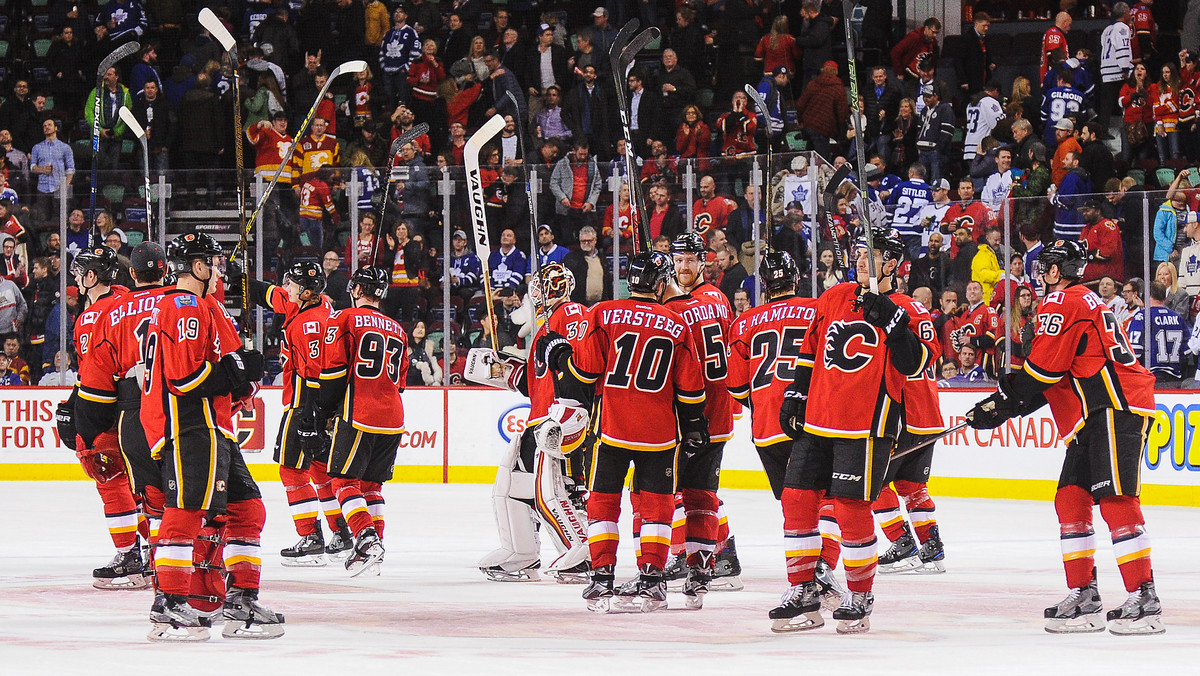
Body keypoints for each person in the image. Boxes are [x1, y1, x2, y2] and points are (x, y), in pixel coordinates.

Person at [967, 240, 1163, 636]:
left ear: (1057, 272)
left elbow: (1041, 373)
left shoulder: (1063, 302)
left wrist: (1000, 402)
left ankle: (1145, 598)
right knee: (1070, 498)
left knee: (1116, 499)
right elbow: (1047, 382)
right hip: (1094, 414)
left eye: (1045, 269)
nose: (1040, 276)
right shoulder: (1083, 302)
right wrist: (1002, 408)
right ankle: (1085, 595)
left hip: (1115, 406)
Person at [773, 227, 937, 634]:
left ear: (894, 265)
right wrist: (795, 393)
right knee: (796, 498)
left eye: (875, 254)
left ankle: (860, 594)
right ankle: (803, 590)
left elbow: (916, 365)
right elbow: (809, 350)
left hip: (867, 424)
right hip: (817, 418)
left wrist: (893, 323)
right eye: (862, 251)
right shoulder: (835, 296)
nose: (864, 259)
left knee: (850, 507)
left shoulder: (910, 308)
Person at [139, 234, 279, 641]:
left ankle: (240, 601)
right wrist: (234, 371)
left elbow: (209, 372)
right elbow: (186, 378)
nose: (219, 270)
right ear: (197, 268)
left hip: (214, 427)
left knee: (248, 510)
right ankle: (168, 604)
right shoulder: (184, 305)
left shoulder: (198, 306)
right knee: (184, 511)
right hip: (187, 426)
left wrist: (239, 379)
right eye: (213, 263)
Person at [560, 251, 705, 613]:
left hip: (611, 429)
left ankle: (601, 577)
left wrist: (560, 357)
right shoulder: (676, 323)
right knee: (657, 508)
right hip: (659, 434)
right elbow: (690, 389)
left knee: (603, 503)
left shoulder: (603, 313)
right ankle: (653, 579)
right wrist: (693, 425)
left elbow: (585, 374)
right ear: (659, 283)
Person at [470, 262, 590, 583]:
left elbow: (577, 367)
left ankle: (582, 553)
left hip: (557, 421)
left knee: (548, 493)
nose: (532, 294)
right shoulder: (544, 328)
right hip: (536, 420)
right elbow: (536, 381)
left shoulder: (571, 313)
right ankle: (520, 553)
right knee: (509, 486)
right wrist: (502, 370)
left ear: (554, 289)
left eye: (538, 287)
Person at [246, 263, 352, 565]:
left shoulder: (311, 325)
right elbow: (270, 294)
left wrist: (310, 417)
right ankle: (340, 532)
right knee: (319, 469)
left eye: (291, 285)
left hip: (305, 404)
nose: (286, 289)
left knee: (290, 470)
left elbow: (318, 374)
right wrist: (239, 278)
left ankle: (310, 536)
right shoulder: (307, 304)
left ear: (306, 292)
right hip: (321, 406)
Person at [304, 266, 407, 576]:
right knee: (372, 486)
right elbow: (399, 383)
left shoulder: (344, 318)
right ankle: (374, 550)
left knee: (343, 482)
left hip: (359, 412)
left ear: (358, 289)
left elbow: (334, 371)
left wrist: (322, 412)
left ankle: (366, 540)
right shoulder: (398, 329)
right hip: (393, 416)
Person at [56, 247, 147, 590]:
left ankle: (129, 556)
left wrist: (83, 418)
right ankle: (155, 551)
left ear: (91, 277)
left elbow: (97, 376)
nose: (77, 280)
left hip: (115, 408)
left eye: (80, 274)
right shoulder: (129, 298)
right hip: (150, 403)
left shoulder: (92, 318)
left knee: (107, 473)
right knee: (145, 483)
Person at [659, 234, 741, 604]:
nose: (684, 267)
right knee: (701, 490)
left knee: (684, 490)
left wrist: (659, 298)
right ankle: (721, 556)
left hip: (695, 411)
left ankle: (714, 555)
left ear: (703, 262)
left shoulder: (680, 306)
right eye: (677, 261)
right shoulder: (719, 299)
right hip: (716, 407)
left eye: (690, 260)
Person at [1128, 281, 1187, 383]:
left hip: (1150, 377)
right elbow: (1187, 351)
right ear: (1164, 298)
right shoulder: (1177, 317)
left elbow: (1135, 352)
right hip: (1175, 378)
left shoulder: (1141, 316)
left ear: (1146, 295)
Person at [949, 280, 1001, 378]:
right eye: (969, 289)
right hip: (966, 364)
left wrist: (971, 340)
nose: (972, 291)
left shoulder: (988, 311)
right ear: (966, 294)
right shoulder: (964, 314)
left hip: (984, 361)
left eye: (975, 289)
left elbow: (994, 337)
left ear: (982, 293)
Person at [887, 162, 933, 261]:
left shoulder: (899, 187)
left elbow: (890, 208)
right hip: (915, 232)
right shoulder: (929, 190)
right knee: (915, 265)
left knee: (894, 263)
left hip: (897, 230)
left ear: (911, 173)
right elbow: (931, 212)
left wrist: (889, 225)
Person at [1079, 198, 1127, 283]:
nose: (1084, 213)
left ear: (1098, 211)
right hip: (1087, 279)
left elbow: (1107, 253)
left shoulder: (1107, 225)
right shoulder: (1086, 228)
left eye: (1087, 210)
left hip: (1106, 280)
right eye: (1083, 211)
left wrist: (1089, 255)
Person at [915, 83, 954, 184]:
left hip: (935, 152)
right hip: (923, 151)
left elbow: (947, 132)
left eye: (928, 96)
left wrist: (938, 148)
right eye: (924, 96)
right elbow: (919, 129)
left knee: (935, 181)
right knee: (921, 180)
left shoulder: (945, 109)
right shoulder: (924, 110)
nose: (925, 99)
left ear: (936, 96)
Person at [1048, 150, 1091, 240]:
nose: (1063, 161)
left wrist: (1053, 197)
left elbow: (1067, 200)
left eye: (1067, 159)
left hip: (1068, 226)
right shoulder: (1085, 176)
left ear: (1075, 162)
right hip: (1081, 223)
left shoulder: (1072, 177)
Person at [1154, 170, 1192, 271]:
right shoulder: (1164, 210)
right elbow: (1157, 233)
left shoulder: (1189, 208)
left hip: (1185, 250)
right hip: (1168, 254)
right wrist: (1170, 249)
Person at [563, 226, 610, 305]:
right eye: (583, 241)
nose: (586, 243)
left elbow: (608, 281)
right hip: (580, 305)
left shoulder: (602, 258)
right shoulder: (571, 258)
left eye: (589, 241)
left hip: (600, 304)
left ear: (595, 240)